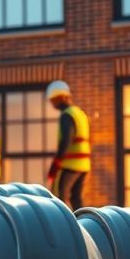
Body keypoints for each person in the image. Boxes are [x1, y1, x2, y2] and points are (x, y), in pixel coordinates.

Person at [46, 80, 91, 210]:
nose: (52, 104)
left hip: (70, 165)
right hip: (84, 165)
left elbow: (66, 141)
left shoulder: (67, 115)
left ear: (59, 98)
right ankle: (81, 224)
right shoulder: (80, 113)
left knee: (59, 197)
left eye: (53, 100)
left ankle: (64, 226)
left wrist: (55, 165)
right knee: (76, 198)